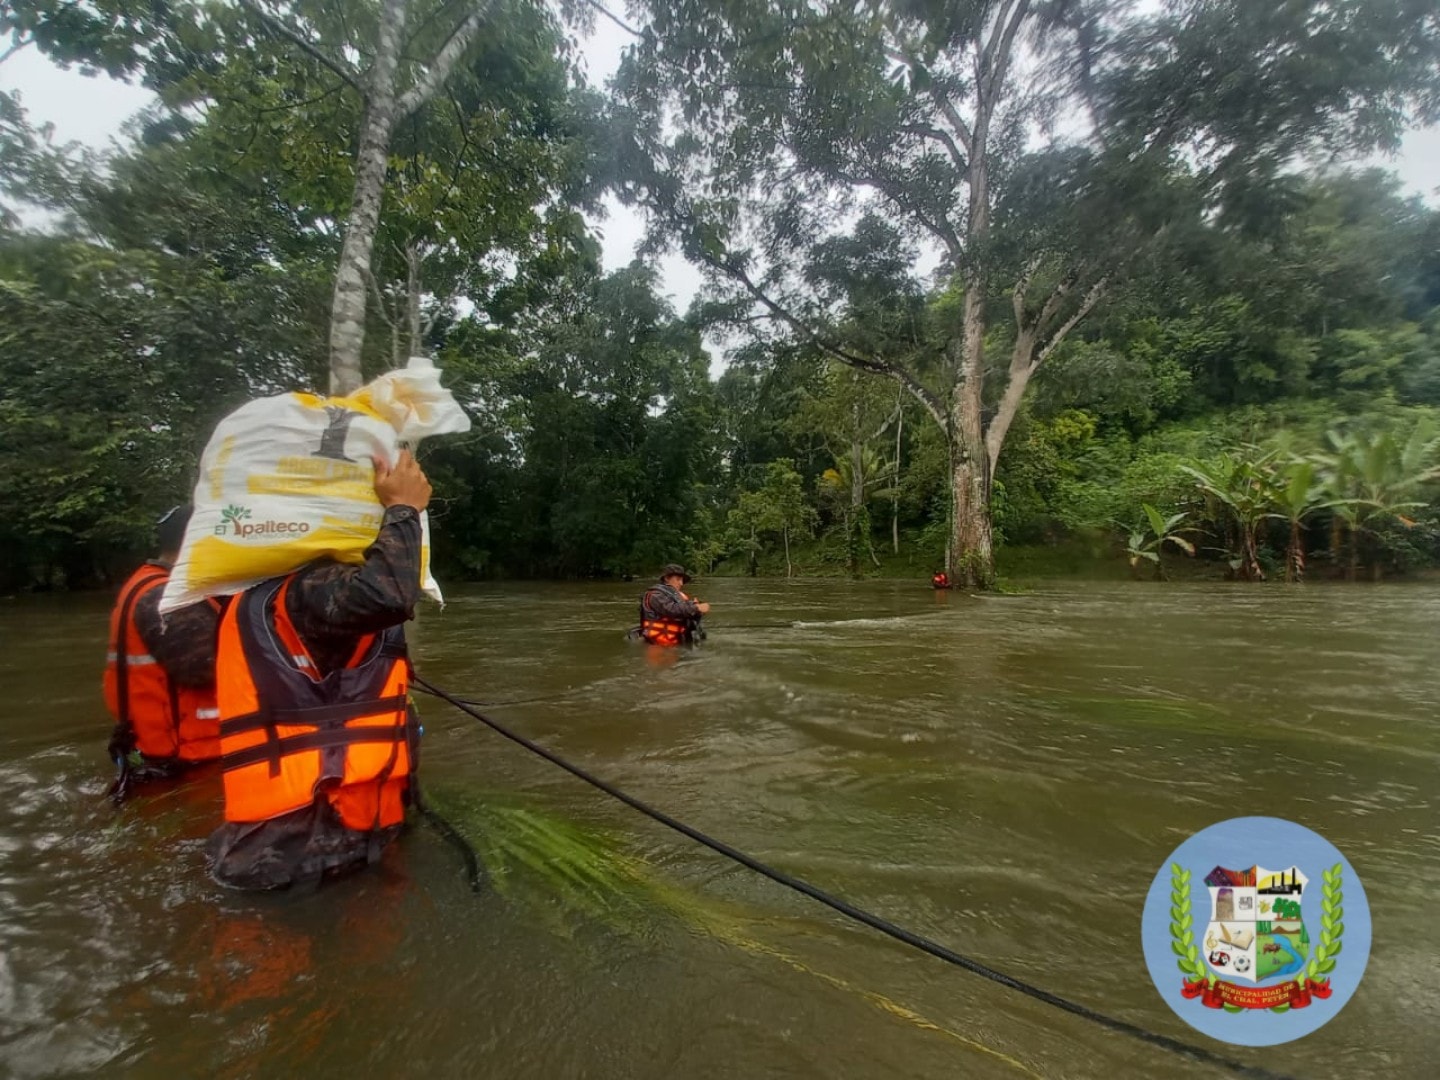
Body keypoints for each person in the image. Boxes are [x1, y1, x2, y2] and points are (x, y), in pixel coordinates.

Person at [205, 450, 433, 891]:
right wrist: (404, 510)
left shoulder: (277, 592)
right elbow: (388, 596)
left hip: (297, 845)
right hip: (305, 851)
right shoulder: (310, 590)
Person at [103, 504, 222, 802]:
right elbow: (204, 669)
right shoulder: (168, 597)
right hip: (190, 762)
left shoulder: (148, 584)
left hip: (156, 756)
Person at [638, 564, 710, 646]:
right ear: (667, 579)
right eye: (678, 579)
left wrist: (698, 609)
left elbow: (687, 610)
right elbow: (672, 610)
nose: (681, 583)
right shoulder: (655, 595)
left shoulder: (679, 596)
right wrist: (696, 607)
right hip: (658, 646)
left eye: (682, 580)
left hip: (677, 642)